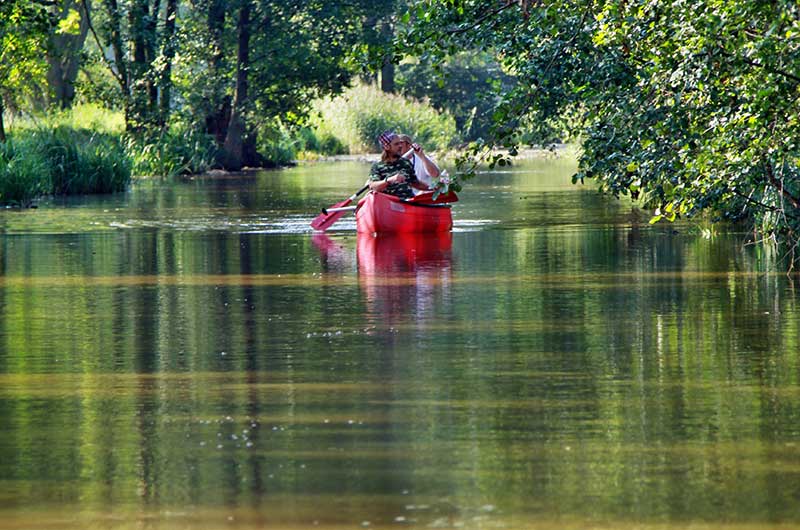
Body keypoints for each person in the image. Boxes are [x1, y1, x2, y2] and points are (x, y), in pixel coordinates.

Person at [367, 131, 423, 199]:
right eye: (396, 144)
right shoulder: (377, 167)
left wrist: (432, 188)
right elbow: (373, 187)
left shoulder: (406, 163)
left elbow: (416, 183)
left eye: (400, 143)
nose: (400, 146)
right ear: (387, 147)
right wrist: (390, 180)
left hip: (409, 203)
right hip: (390, 204)